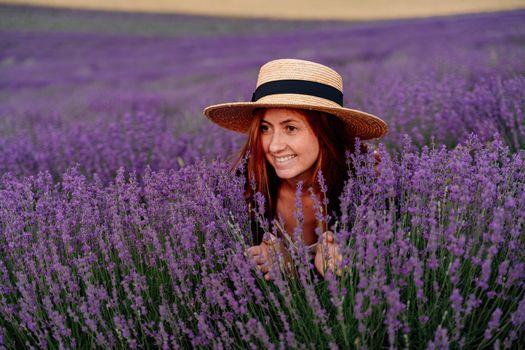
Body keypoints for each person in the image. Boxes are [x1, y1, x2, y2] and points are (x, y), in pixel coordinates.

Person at [203, 58, 387, 280]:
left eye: (290, 128)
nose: (274, 145)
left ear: (325, 133)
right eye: (265, 128)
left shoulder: (366, 185)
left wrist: (351, 267)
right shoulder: (240, 189)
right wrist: (275, 264)